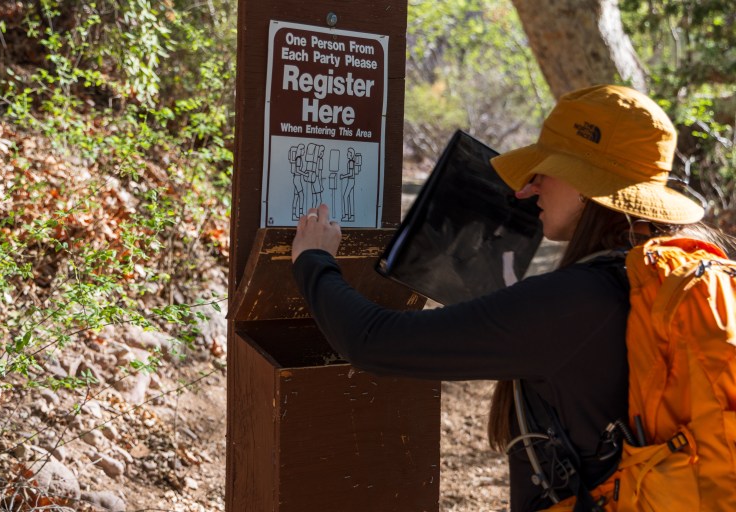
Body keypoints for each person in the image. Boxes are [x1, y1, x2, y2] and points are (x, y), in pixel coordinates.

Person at [290, 85, 729, 510]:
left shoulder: (573, 302)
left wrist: (314, 259)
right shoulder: (676, 274)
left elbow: (373, 341)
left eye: (545, 169)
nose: (528, 187)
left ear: (587, 183)